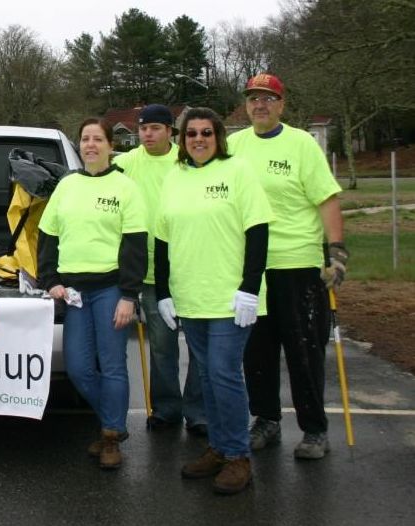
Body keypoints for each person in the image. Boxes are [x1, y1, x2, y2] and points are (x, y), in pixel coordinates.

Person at [154, 107, 273, 495]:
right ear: (182, 139)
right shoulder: (175, 177)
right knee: (206, 376)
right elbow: (162, 239)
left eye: (206, 132)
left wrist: (250, 287)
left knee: (223, 373)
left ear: (218, 136)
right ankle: (219, 448)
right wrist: (163, 292)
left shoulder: (237, 172)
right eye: (191, 134)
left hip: (230, 298)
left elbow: (258, 231)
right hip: (190, 297)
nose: (199, 139)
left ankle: (238, 456)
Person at [229, 73, 347, 460]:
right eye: (253, 99)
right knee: (257, 353)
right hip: (251, 268)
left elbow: (326, 199)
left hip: (298, 264)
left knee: (304, 351)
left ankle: (314, 430)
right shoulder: (234, 146)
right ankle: (266, 420)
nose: (259, 105)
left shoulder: (301, 144)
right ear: (246, 105)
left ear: (281, 104)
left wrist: (337, 252)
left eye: (268, 98)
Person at [37, 117, 147, 470]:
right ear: (79, 145)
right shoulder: (67, 186)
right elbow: (47, 236)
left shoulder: (125, 188)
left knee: (112, 365)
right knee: (79, 368)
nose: (91, 145)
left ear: (111, 146)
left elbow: (135, 245)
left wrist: (129, 295)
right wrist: (50, 279)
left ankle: (111, 436)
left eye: (98, 139)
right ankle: (114, 422)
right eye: (85, 139)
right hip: (75, 293)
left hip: (111, 289)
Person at [117, 104, 206, 435]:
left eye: (155, 128)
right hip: (150, 273)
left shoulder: (187, 163)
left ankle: (198, 412)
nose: (147, 134)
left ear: (171, 131)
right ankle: (167, 409)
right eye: (143, 128)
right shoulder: (126, 163)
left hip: (190, 268)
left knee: (198, 347)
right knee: (161, 347)